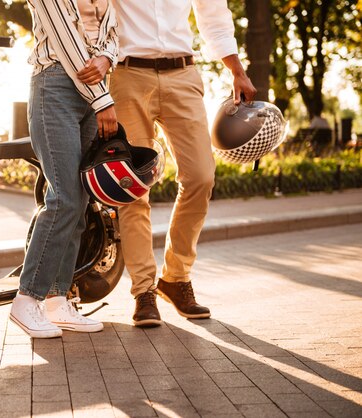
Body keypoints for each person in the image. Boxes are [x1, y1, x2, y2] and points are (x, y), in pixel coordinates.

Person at [108, 0, 257, 326]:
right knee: (134, 187)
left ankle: (175, 278)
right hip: (127, 74)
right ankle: (143, 291)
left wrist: (238, 71)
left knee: (201, 176)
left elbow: (214, 15)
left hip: (183, 75)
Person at [9, 0, 119, 338]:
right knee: (64, 199)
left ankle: (58, 300)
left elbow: (115, 32)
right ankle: (26, 299)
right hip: (56, 87)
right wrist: (102, 99)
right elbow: (66, 40)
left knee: (81, 200)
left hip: (93, 90)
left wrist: (107, 58)